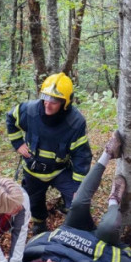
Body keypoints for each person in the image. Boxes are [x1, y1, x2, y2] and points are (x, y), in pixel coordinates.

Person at [22, 132, 131, 262]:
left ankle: (107, 154)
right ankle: (114, 199)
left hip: (74, 230)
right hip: (101, 241)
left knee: (79, 202)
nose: (50, 260)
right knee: (108, 227)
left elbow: (36, 248)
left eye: (47, 261)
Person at [6, 73, 92, 235]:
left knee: (77, 200)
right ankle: (39, 225)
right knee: (34, 200)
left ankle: (75, 228)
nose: (48, 104)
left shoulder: (75, 122)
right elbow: (11, 118)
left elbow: (82, 155)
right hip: (33, 169)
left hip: (60, 170)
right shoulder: (30, 111)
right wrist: (18, 143)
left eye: (54, 101)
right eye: (45, 97)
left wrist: (78, 186)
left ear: (65, 102)